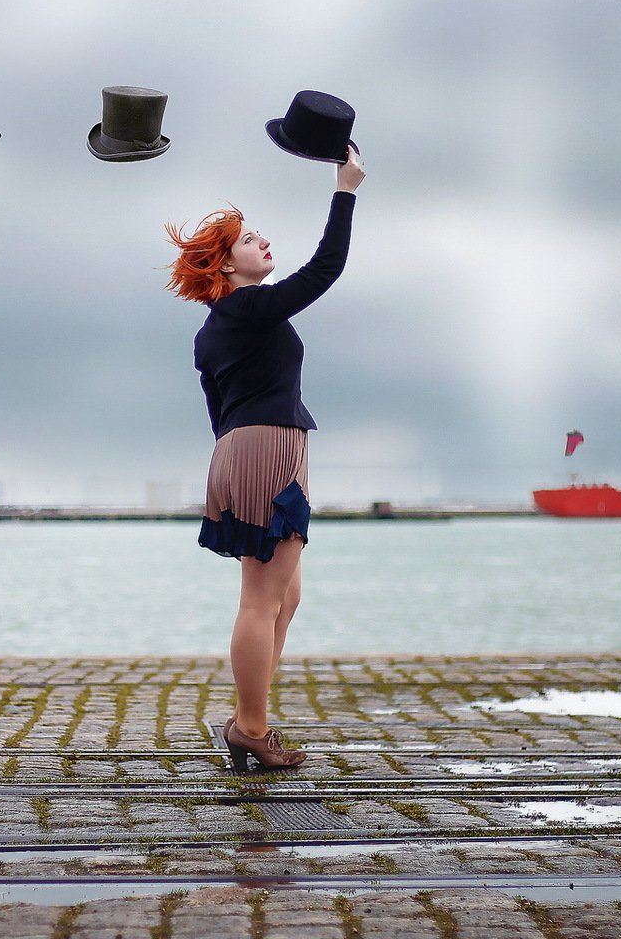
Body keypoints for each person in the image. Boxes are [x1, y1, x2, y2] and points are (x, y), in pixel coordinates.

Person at [164, 147, 365, 772]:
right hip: (266, 447)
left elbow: (217, 408)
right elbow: (323, 270)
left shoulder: (214, 329)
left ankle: (253, 717)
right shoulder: (246, 308)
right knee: (261, 598)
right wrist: (346, 190)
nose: (263, 242)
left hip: (244, 447)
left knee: (285, 595)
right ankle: (250, 726)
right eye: (250, 240)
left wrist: (237, 459)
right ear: (225, 264)